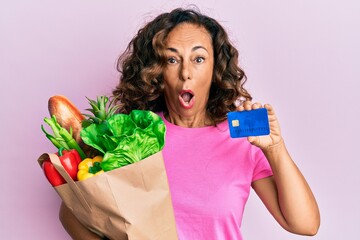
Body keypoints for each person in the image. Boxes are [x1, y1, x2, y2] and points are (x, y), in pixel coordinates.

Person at [59, 7, 320, 239]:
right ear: (156, 70)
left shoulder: (242, 137)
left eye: (198, 59)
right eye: (172, 59)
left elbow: (305, 224)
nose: (186, 72)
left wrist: (274, 148)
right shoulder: (130, 135)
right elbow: (72, 212)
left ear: (215, 69)